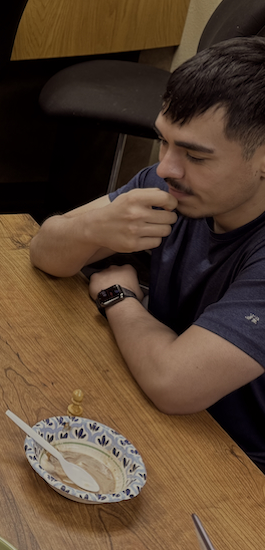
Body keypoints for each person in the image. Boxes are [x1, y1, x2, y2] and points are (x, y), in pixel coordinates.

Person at [29, 36, 265, 472]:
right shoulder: (173, 185)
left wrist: (119, 299)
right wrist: (92, 228)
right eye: (165, 142)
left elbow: (175, 383)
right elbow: (45, 250)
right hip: (157, 411)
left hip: (236, 465)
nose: (166, 169)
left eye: (195, 155)